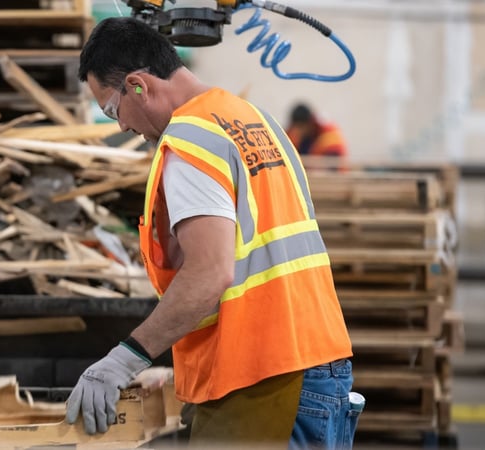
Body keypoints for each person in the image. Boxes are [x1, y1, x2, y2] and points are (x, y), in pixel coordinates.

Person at [65, 17, 357, 449]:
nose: (122, 126)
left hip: (263, 372)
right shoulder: (255, 120)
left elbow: (209, 272)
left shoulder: (190, 140)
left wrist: (125, 358)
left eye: (112, 109)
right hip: (319, 360)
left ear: (138, 86)